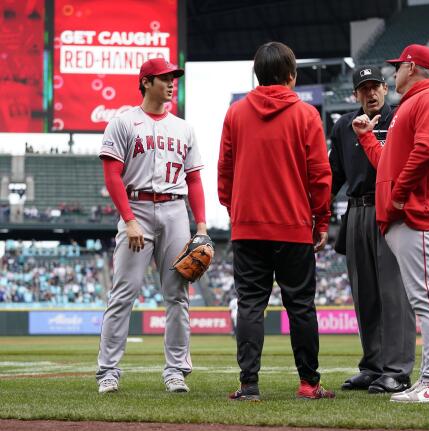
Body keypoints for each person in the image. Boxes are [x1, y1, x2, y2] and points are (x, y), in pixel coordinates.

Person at [218, 41, 334, 401]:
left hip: (248, 226)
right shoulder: (306, 115)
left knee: (250, 303)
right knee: (300, 305)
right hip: (294, 227)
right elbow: (320, 174)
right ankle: (308, 384)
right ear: (290, 75)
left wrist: (234, 210)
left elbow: (225, 171)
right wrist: (322, 221)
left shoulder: (236, 113)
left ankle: (249, 385)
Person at [96, 57, 208, 394]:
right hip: (138, 208)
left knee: (177, 295)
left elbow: (194, 180)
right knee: (123, 294)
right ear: (146, 82)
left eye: (173, 77)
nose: (171, 83)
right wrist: (128, 219)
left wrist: (200, 225)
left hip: (175, 211)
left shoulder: (184, 128)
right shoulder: (123, 123)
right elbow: (112, 174)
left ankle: (175, 370)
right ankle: (108, 371)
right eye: (164, 78)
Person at [352, 44, 429, 403]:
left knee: (427, 301)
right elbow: (388, 165)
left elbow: (428, 149)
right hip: (406, 215)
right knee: (423, 299)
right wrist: (366, 137)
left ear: (411, 67)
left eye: (397, 66)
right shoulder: (415, 102)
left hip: (417, 214)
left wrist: (400, 193)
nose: (393, 72)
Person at [329, 65, 415, 394]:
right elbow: (334, 176)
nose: (371, 93)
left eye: (375, 86)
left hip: (389, 210)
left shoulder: (401, 118)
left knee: (393, 294)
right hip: (356, 211)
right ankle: (373, 366)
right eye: (363, 88)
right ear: (356, 94)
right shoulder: (343, 126)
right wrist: (316, 213)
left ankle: (397, 369)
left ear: (385, 87)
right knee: (364, 296)